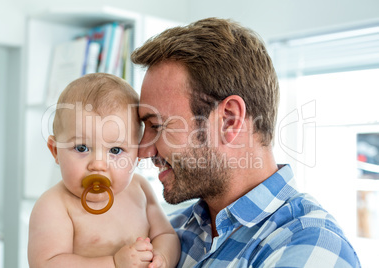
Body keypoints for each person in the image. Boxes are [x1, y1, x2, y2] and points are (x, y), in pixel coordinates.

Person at [131, 18, 361, 267]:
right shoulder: (167, 234)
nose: (143, 150)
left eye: (156, 125)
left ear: (229, 119)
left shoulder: (311, 246)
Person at [28, 73, 180, 268]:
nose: (98, 164)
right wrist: (114, 264)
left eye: (115, 150)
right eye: (82, 148)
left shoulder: (140, 189)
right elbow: (46, 264)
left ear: (137, 155)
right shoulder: (54, 206)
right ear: (55, 150)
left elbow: (166, 235)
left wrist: (162, 258)